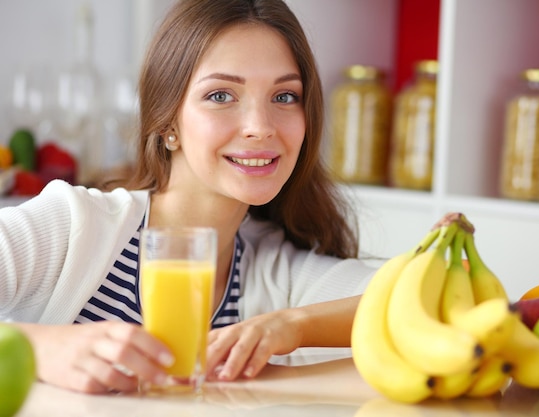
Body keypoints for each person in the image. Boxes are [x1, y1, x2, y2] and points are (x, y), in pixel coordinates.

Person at [0, 0, 377, 394]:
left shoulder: (278, 275)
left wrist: (294, 325)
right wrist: (40, 347)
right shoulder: (73, 224)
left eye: (284, 97)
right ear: (168, 123)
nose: (260, 127)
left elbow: (424, 300)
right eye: (220, 95)